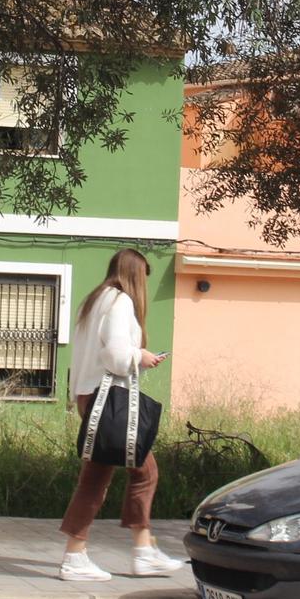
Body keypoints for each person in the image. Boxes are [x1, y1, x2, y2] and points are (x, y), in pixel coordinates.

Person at [58, 247, 185, 581]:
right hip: (110, 399)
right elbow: (115, 355)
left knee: (102, 477)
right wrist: (140, 356)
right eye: (143, 275)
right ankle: (101, 555)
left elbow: (86, 353)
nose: (144, 283)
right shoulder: (120, 302)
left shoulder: (94, 300)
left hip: (91, 396)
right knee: (140, 473)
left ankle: (132, 549)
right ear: (134, 273)